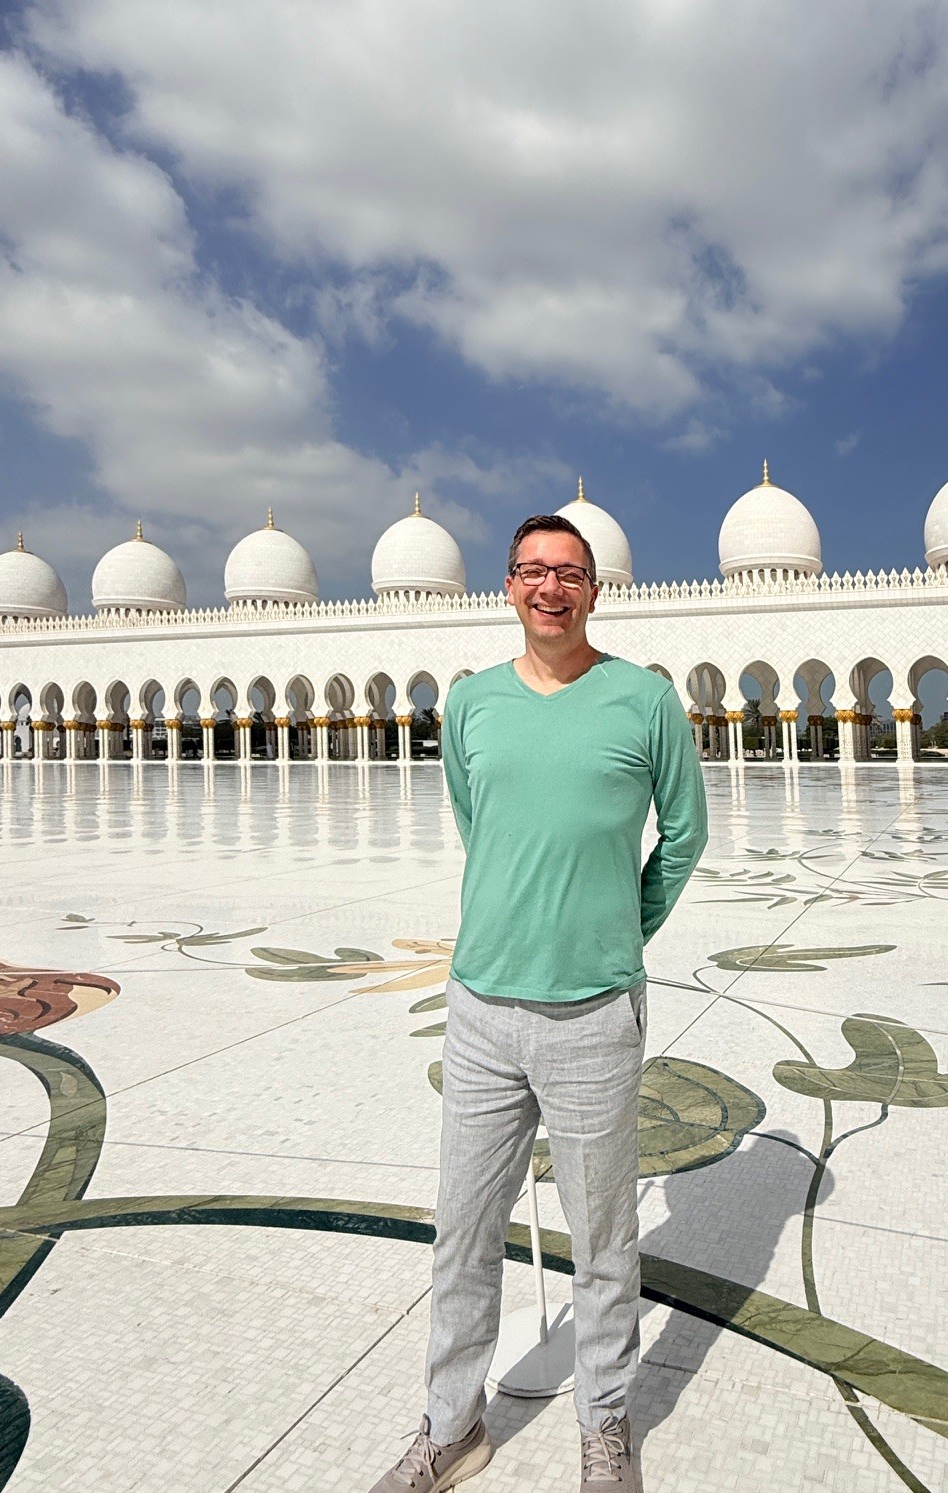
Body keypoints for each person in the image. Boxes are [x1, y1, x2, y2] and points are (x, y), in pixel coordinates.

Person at [370, 514, 707, 1492]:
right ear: (506, 588)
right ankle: (450, 1424)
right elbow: (481, 824)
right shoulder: (471, 703)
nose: (549, 587)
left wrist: (614, 931)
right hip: (480, 1007)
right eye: (531, 570)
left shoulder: (644, 700)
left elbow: (680, 837)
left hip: (593, 1012)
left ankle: (605, 1425)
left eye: (569, 572)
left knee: (602, 1239)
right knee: (462, 1231)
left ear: (597, 590)